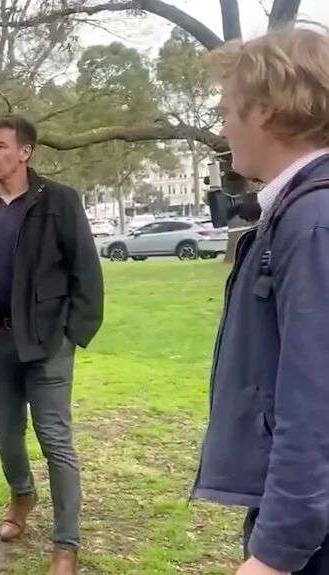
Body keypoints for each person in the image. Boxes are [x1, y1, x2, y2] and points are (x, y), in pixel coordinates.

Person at [192, 28, 329, 575]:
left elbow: (317, 406)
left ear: (268, 111)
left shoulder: (313, 222)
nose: (222, 129)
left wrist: (274, 555)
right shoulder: (297, 211)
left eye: (228, 111)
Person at [0, 115, 103, 575]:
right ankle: (22, 494)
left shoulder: (58, 201)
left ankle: (66, 544)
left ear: (25, 152)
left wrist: (72, 334)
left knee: (55, 439)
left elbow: (86, 272)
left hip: (46, 343)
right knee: (5, 432)